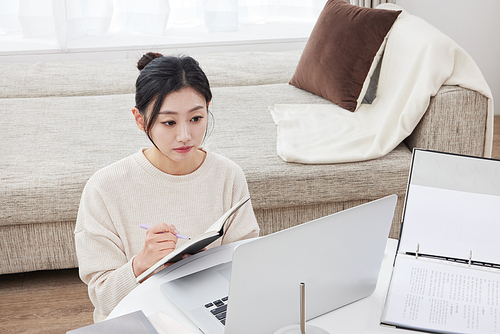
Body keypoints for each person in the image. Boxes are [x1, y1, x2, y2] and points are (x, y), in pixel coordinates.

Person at [74, 53, 260, 322]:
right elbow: (103, 299)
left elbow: (249, 267)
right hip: (138, 319)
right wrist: (143, 263)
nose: (185, 136)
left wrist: (207, 264)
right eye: (169, 122)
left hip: (208, 310)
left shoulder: (228, 175)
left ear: (207, 107)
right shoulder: (104, 188)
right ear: (140, 120)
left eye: (196, 118)